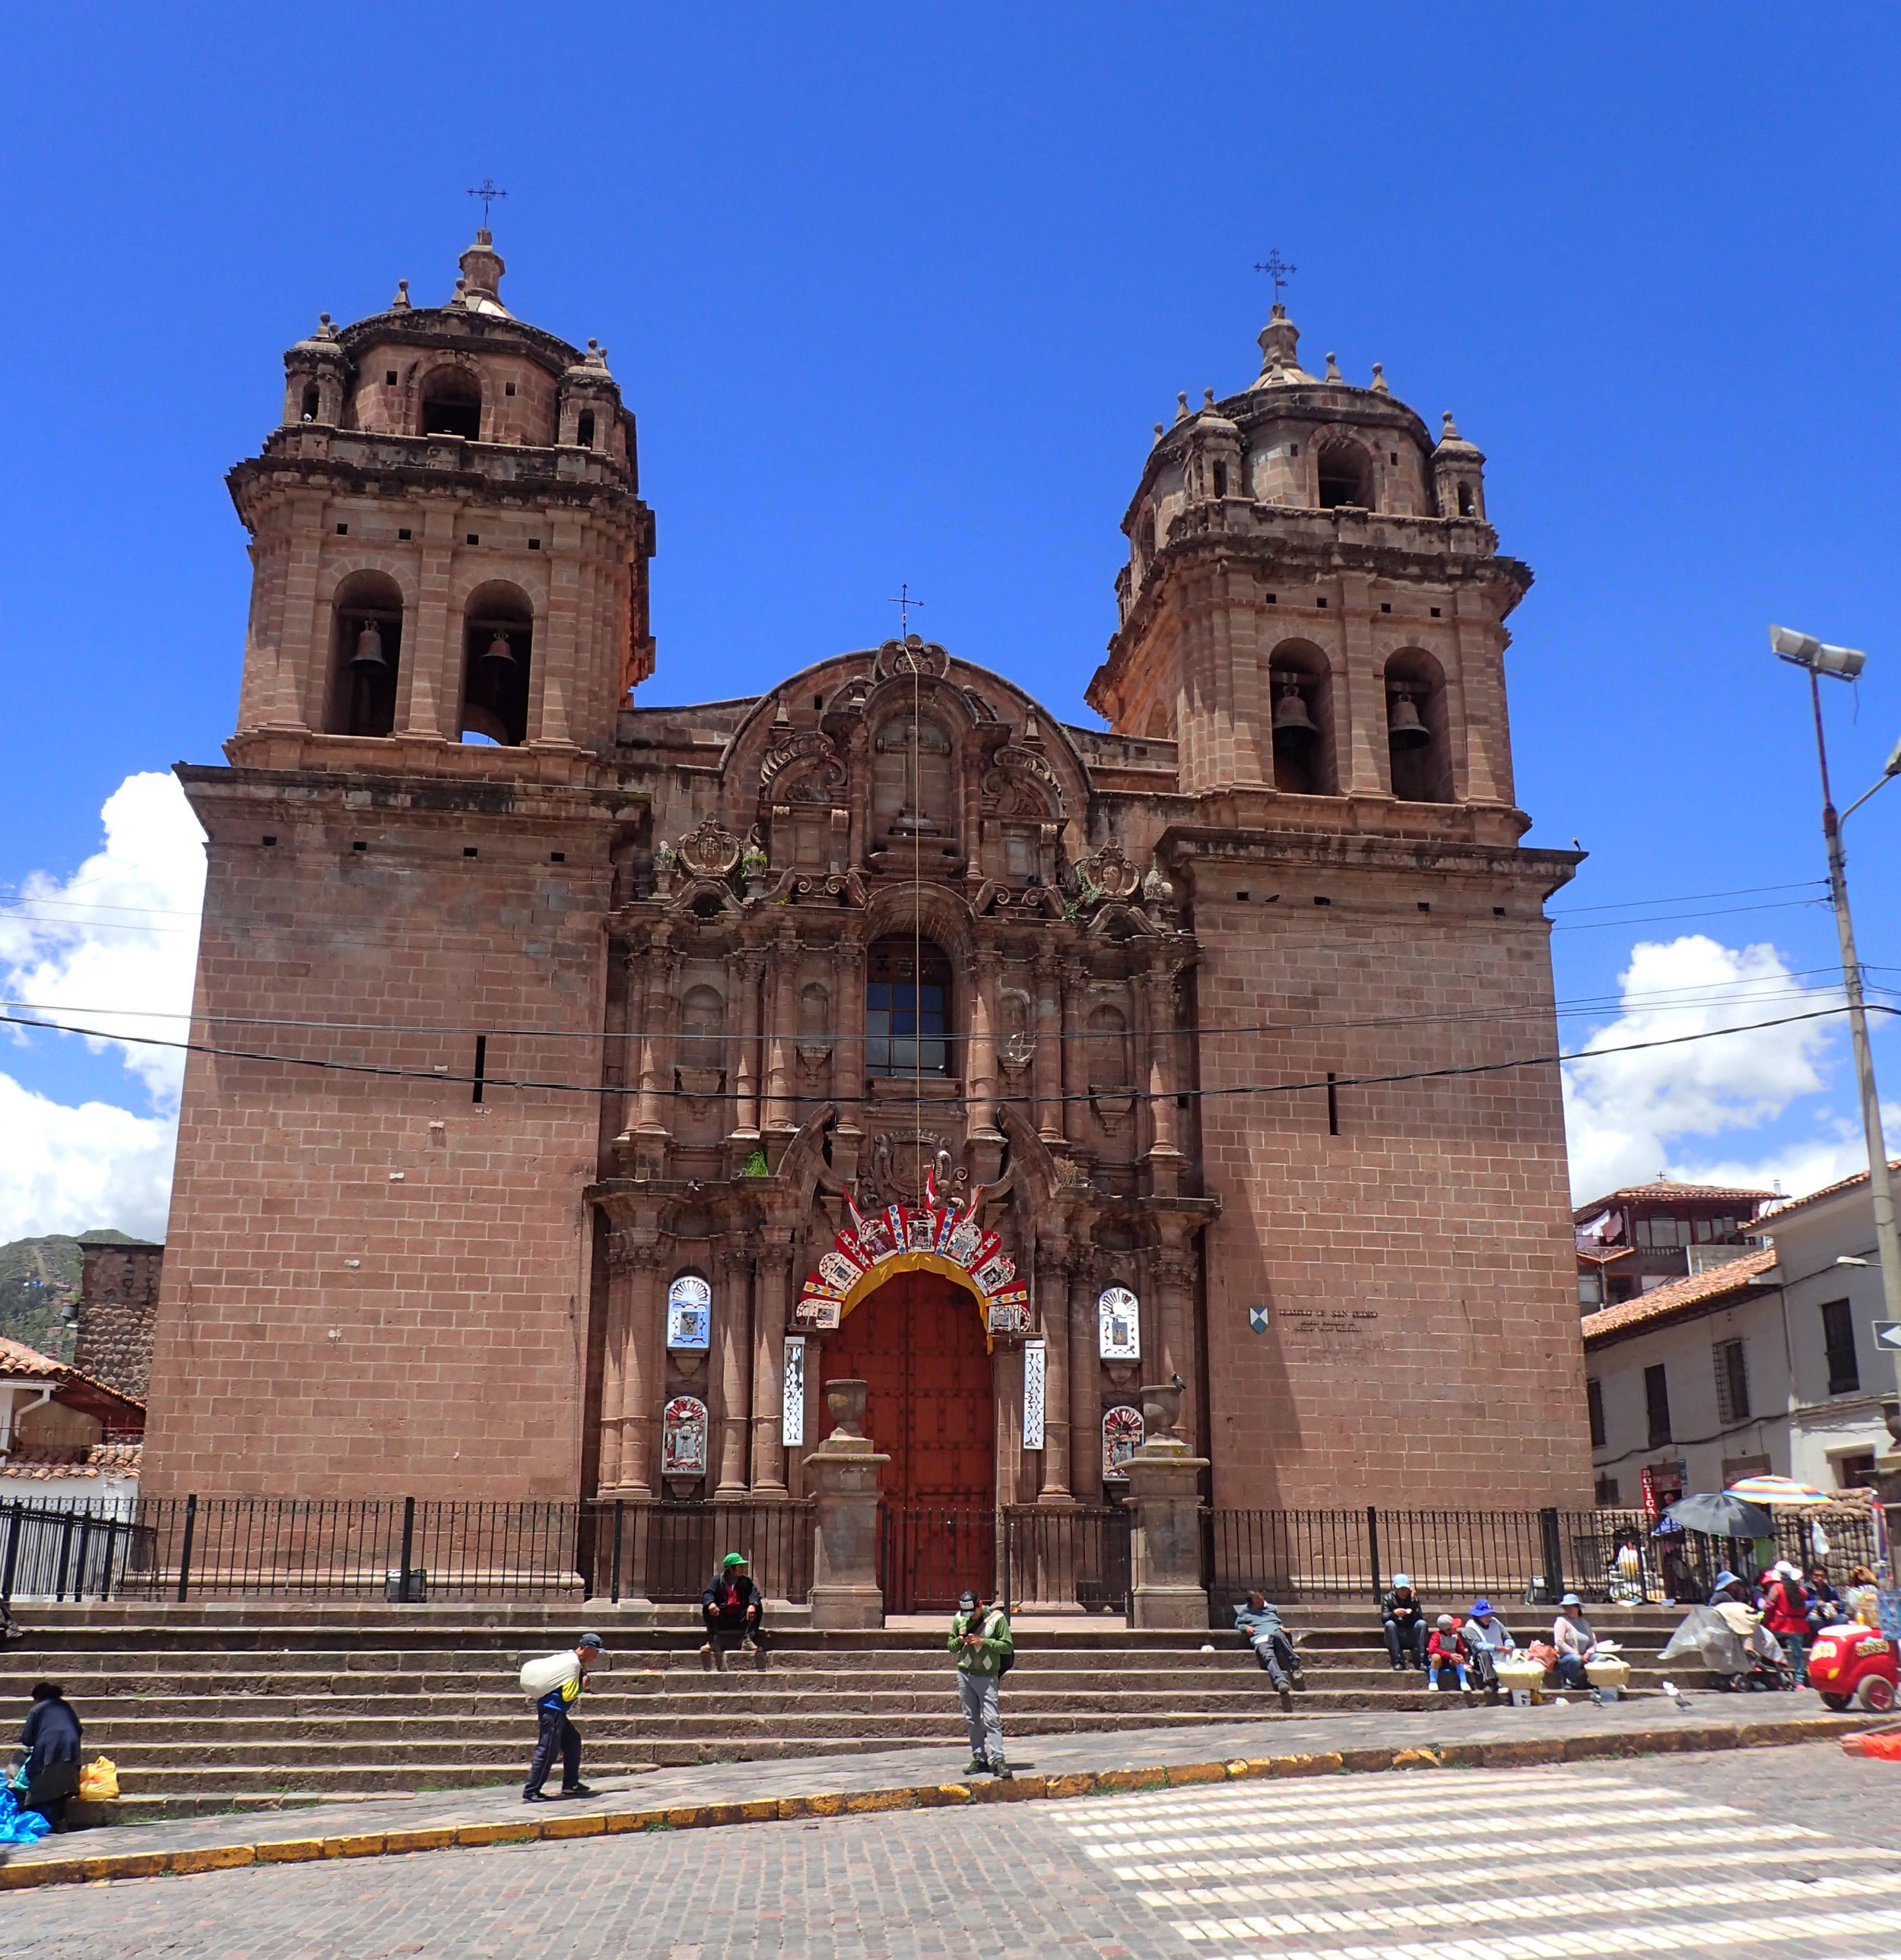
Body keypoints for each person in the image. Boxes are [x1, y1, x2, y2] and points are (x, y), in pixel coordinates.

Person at [521, 1632, 602, 1803]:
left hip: (553, 1710)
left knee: (573, 1740)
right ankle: (531, 1790)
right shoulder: (573, 1666)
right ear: (587, 1649)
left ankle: (570, 1784)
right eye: (596, 1652)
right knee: (548, 1750)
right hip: (554, 1711)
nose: (597, 1656)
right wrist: (583, 1686)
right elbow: (568, 1695)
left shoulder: (567, 1656)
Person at [948, 1587, 1013, 1781]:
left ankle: (998, 1758)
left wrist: (984, 1642)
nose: (969, 1616)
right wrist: (959, 1641)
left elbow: (1007, 1645)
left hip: (987, 1676)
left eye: (973, 1612)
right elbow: (951, 1646)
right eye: (966, 1613)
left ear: (980, 1604)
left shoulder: (997, 1619)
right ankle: (979, 1757)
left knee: (992, 1718)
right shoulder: (959, 1618)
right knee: (971, 1718)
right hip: (965, 1674)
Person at [18, 1682, 82, 1834]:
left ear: (38, 1698)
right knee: (62, 1788)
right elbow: (79, 1730)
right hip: (71, 1751)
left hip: (47, 1753)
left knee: (38, 1782)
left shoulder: (37, 1710)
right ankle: (60, 1820)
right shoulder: (65, 1707)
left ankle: (32, 1817)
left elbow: (27, 1739)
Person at [700, 1551, 766, 1671]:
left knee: (758, 1606)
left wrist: (753, 1604)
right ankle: (713, 1640)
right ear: (731, 1568)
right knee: (706, 1607)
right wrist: (711, 1603)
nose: (742, 1569)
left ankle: (748, 1639)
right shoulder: (717, 1580)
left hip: (740, 1617)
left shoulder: (746, 1581)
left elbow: (754, 1594)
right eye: (740, 1566)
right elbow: (707, 1594)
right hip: (722, 1616)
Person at [1234, 1592, 1302, 1695]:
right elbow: (1238, 1624)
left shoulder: (1271, 1608)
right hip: (1260, 1635)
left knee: (1280, 1637)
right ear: (1252, 1604)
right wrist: (1246, 1627)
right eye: (1257, 1602)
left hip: (1274, 1631)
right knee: (1268, 1655)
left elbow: (1278, 1621)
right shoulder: (1245, 1611)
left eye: (1261, 1599)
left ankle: (1295, 1665)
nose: (1261, 1602)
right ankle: (1280, 1680)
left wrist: (1281, 1626)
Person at [1760, 1562, 1811, 1682]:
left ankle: (1772, 1670)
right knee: (1797, 1653)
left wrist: (1765, 1622)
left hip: (1779, 1625)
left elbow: (1769, 1606)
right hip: (1798, 1626)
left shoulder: (1776, 1588)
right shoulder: (1801, 1592)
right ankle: (1800, 1679)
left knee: (1766, 1642)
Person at [1459, 1598, 1516, 1698]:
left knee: (1517, 1654)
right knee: (1484, 1654)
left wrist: (1509, 1646)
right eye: (1485, 1615)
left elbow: (1507, 1637)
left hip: (1501, 1656)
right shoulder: (1470, 1628)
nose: (1488, 1618)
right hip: (1481, 1659)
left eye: (1489, 1615)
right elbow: (1478, 1645)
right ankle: (1490, 1682)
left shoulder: (1496, 1623)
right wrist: (1497, 1648)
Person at [1550, 1593, 1600, 1689]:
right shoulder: (1561, 1621)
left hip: (1584, 1655)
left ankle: (1594, 1680)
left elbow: (1593, 1642)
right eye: (1566, 1607)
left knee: (1599, 1658)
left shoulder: (1584, 1622)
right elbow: (1559, 1642)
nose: (1569, 1609)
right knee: (1575, 1660)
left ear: (1578, 1607)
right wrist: (1577, 1654)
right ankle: (1570, 1681)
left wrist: (1588, 1654)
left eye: (1572, 1606)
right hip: (1567, 1657)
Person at [1379, 1574, 1427, 1672]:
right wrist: (1394, 1614)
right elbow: (1384, 1618)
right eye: (1400, 1589)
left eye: (1405, 1589)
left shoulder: (1413, 1599)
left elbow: (1419, 1617)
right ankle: (1398, 1661)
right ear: (1395, 1589)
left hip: (1410, 1634)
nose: (1403, 1592)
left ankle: (1422, 1661)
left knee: (1422, 1624)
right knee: (1390, 1624)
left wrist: (1413, 1600)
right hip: (1396, 1635)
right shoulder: (1388, 1598)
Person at [1426, 1614, 1469, 1692]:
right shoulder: (1437, 1636)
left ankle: (1463, 1682)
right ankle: (1433, 1682)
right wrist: (1449, 1655)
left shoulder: (1456, 1636)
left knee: (1458, 1658)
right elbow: (1432, 1649)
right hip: (1440, 1660)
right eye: (1454, 1627)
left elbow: (1461, 1649)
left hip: (1451, 1660)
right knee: (1436, 1657)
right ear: (1447, 1630)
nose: (1456, 1628)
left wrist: (1461, 1656)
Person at [1804, 1565, 1844, 1633]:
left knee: (1843, 1617)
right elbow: (1799, 1604)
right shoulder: (1805, 1589)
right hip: (1811, 1615)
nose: (1820, 1578)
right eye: (1816, 1575)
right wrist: (1815, 1604)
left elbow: (1841, 1605)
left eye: (1822, 1576)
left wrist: (1837, 1604)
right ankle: (1823, 1635)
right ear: (1811, 1576)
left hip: (1827, 1615)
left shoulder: (1829, 1590)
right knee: (1814, 1619)